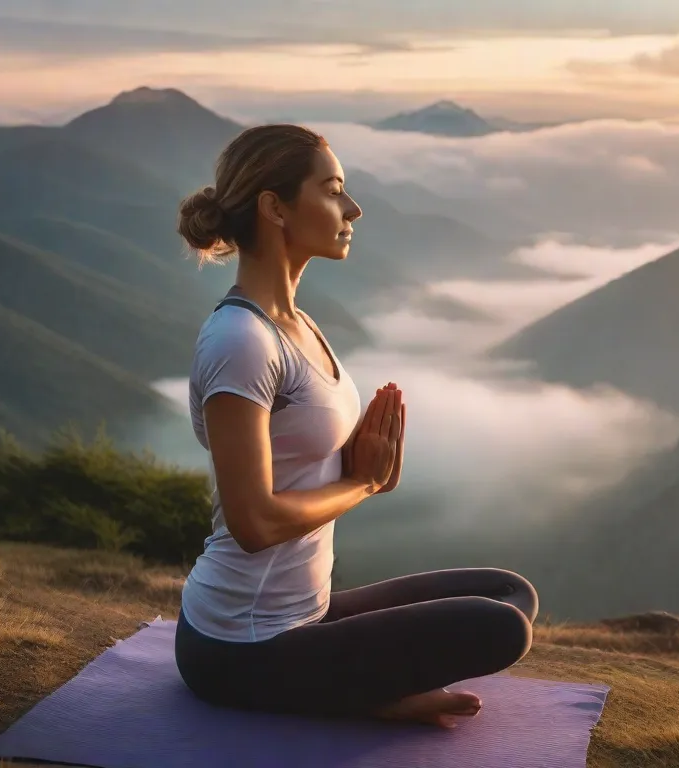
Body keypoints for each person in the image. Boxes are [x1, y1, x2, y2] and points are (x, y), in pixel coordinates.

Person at [174, 124, 539, 729]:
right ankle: (368, 698)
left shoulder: (297, 324)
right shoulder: (240, 341)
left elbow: (300, 465)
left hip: (304, 612)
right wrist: (362, 484)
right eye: (333, 189)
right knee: (500, 628)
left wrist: (358, 462)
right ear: (275, 208)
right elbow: (254, 522)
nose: (353, 208)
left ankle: (356, 687)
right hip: (240, 646)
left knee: (509, 593)